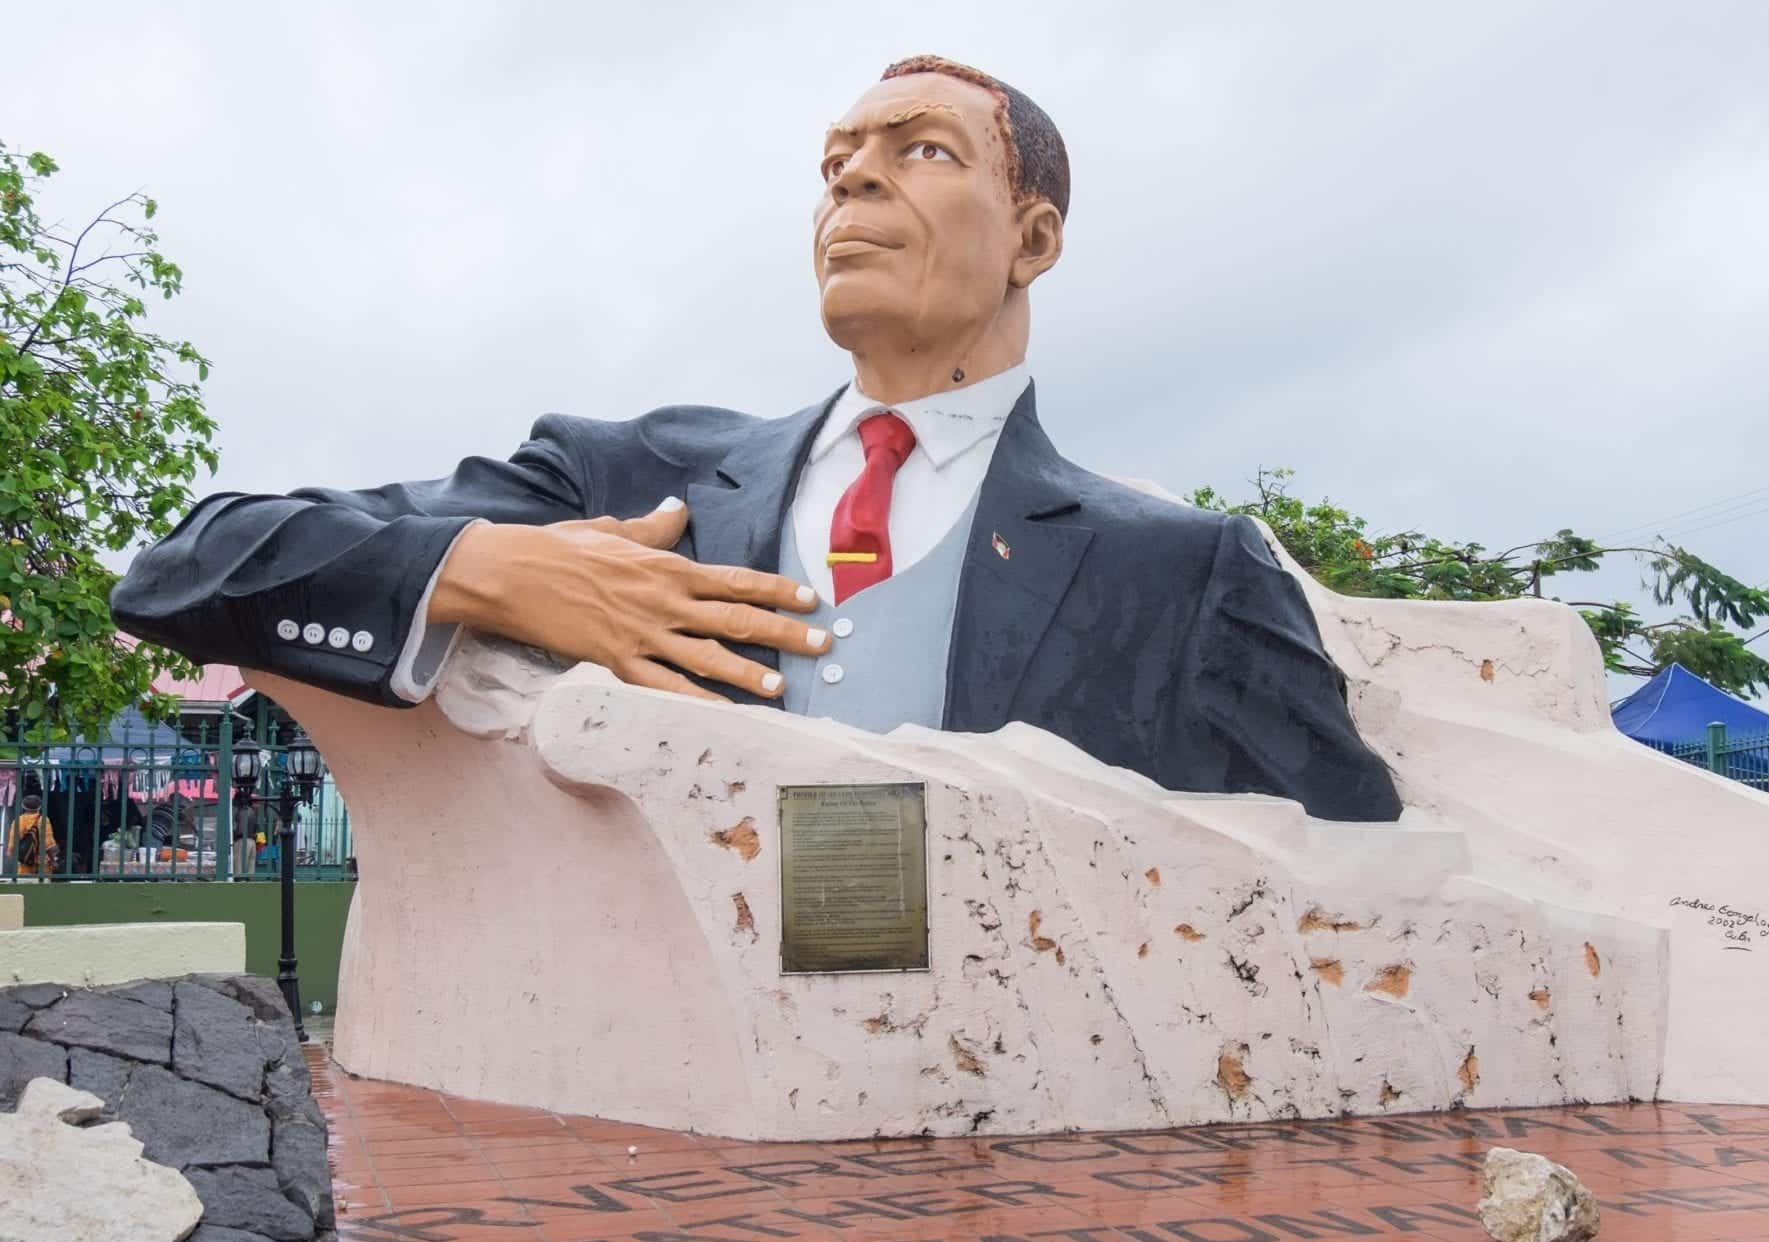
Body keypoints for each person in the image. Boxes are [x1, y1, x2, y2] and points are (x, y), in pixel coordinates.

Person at [112, 57, 1399, 824]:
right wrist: (490, 572)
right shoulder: (643, 476)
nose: (850, 180)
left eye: (922, 151)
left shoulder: (1181, 572)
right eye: (838, 160)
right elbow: (185, 567)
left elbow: (1364, 889)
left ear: (1034, 238)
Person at [10, 793, 60, 882]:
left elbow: (12, 845)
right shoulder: (43, 820)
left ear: (23, 806)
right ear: (39, 807)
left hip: (24, 863)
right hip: (42, 864)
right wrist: (53, 861)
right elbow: (48, 843)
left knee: (25, 889)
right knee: (42, 889)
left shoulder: (17, 821)